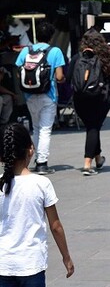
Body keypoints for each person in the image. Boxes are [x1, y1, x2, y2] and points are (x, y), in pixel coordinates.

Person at [0, 123, 74, 287]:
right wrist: (66, 257)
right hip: (31, 264)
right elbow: (55, 226)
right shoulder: (41, 184)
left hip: (4, 264)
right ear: (30, 150)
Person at [15, 21, 66, 175]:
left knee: (36, 128)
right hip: (48, 95)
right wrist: (62, 80)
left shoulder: (26, 51)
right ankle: (42, 163)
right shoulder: (55, 51)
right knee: (45, 129)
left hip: (30, 95)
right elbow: (59, 76)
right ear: (51, 36)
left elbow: (18, 72)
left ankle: (36, 158)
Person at [66, 30, 110, 176]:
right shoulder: (105, 58)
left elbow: (69, 77)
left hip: (80, 99)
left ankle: (98, 158)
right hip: (100, 98)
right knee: (93, 127)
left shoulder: (77, 58)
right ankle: (87, 164)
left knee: (93, 127)